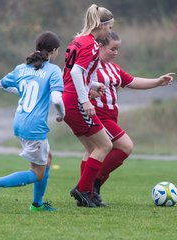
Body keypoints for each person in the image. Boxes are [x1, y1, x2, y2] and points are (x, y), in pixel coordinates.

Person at [83, 31, 175, 206]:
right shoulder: (90, 67)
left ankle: (87, 191)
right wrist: (89, 93)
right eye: (113, 49)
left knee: (94, 152)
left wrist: (157, 81)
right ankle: (92, 184)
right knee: (125, 146)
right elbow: (75, 83)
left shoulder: (114, 68)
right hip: (98, 115)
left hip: (111, 116)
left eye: (118, 49)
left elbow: (132, 81)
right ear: (100, 46)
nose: (116, 52)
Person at [0, 31, 65, 212]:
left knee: (47, 159)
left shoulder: (22, 68)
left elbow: (1, 84)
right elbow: (57, 99)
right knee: (38, 172)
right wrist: (62, 114)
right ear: (55, 50)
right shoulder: (53, 70)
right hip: (34, 126)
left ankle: (38, 204)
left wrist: (23, 92)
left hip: (19, 122)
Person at [62, 4, 115, 207]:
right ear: (101, 25)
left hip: (69, 98)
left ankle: (87, 195)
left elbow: (71, 73)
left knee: (92, 147)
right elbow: (76, 72)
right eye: (109, 27)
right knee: (105, 145)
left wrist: (92, 84)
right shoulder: (91, 44)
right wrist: (85, 100)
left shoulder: (77, 40)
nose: (110, 31)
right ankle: (83, 189)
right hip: (75, 101)